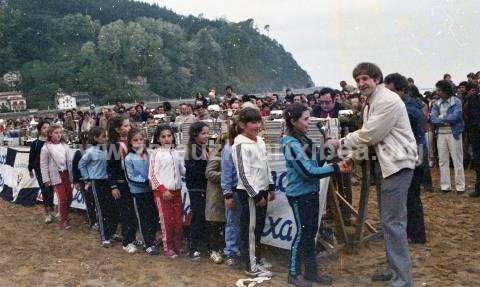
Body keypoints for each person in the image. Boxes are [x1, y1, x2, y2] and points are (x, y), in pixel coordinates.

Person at [329, 63, 417, 287]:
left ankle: (402, 279)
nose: (361, 83)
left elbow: (370, 134)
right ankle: (393, 269)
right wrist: (350, 158)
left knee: (393, 222)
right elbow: (372, 140)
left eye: (365, 78)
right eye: (358, 80)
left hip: (397, 164)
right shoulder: (372, 101)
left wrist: (340, 142)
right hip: (387, 164)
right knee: (388, 221)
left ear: (377, 79)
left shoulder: (386, 100)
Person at [282, 103, 348, 287]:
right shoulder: (291, 144)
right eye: (305, 118)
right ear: (293, 121)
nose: (308, 121)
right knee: (303, 233)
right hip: (299, 194)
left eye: (308, 117)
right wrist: (336, 167)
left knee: (310, 233)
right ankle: (293, 273)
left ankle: (311, 273)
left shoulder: (302, 139)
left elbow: (316, 159)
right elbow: (308, 171)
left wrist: (328, 148)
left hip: (310, 192)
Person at [231, 107, 275, 278]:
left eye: (258, 122)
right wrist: (255, 195)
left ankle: (255, 258)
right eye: (252, 123)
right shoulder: (240, 145)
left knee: (258, 229)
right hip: (250, 194)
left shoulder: (260, 141)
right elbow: (243, 174)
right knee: (249, 229)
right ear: (243, 125)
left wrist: (270, 186)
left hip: (262, 190)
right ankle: (250, 265)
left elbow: (266, 165)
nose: (257, 126)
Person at [385, 73, 426, 244]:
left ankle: (416, 235)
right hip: (413, 152)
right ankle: (414, 233)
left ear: (402, 91)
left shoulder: (407, 110)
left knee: (411, 196)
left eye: (392, 92)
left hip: (412, 154)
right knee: (411, 196)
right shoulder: (409, 106)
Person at [79, 127, 119, 247]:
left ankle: (112, 232)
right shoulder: (90, 151)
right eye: (103, 136)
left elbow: (115, 165)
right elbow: (81, 164)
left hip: (110, 182)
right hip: (97, 183)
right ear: (95, 138)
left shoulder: (111, 149)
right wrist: (87, 179)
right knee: (102, 210)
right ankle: (105, 237)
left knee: (113, 209)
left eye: (107, 136)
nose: (106, 138)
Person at [149, 124, 185, 258]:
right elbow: (152, 175)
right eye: (163, 136)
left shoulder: (176, 153)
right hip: (163, 193)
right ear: (158, 139)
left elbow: (182, 170)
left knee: (178, 221)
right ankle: (168, 247)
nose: (167, 139)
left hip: (176, 192)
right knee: (167, 222)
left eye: (169, 136)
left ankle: (178, 245)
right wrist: (163, 189)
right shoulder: (156, 154)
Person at [124, 128, 160, 255]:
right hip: (138, 193)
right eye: (135, 140)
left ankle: (152, 239)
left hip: (151, 191)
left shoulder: (149, 154)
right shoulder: (128, 158)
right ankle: (147, 243)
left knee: (153, 217)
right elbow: (130, 177)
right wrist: (146, 181)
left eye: (141, 139)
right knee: (143, 218)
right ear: (130, 142)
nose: (139, 142)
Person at [106, 116, 138, 251]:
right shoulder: (113, 145)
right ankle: (126, 242)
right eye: (125, 126)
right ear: (117, 129)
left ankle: (133, 238)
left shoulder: (131, 142)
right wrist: (113, 186)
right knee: (126, 214)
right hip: (121, 184)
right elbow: (110, 167)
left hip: (133, 183)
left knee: (134, 212)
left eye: (129, 125)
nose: (129, 128)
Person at [430, 80, 465, 194]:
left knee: (457, 160)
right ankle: (445, 186)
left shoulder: (456, 101)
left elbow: (456, 117)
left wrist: (441, 117)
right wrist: (445, 119)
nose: (437, 92)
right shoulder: (436, 103)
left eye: (439, 90)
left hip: (454, 134)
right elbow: (433, 119)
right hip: (441, 134)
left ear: (446, 91)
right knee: (443, 160)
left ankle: (460, 186)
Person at [40, 124, 74, 230]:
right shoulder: (46, 147)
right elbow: (43, 164)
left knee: (69, 197)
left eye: (60, 132)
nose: (59, 135)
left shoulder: (65, 145)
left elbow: (69, 160)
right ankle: (62, 220)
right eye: (56, 133)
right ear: (50, 134)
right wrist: (46, 179)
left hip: (67, 174)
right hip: (56, 175)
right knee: (62, 198)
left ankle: (65, 215)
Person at [184, 121, 210, 260]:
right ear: (195, 134)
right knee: (198, 217)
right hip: (196, 187)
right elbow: (194, 171)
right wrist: (209, 173)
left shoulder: (202, 148)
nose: (207, 136)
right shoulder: (193, 149)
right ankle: (193, 248)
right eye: (203, 133)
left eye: (207, 133)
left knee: (201, 216)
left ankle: (199, 245)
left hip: (201, 186)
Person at [221, 118, 241, 268]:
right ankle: (230, 252)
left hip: (246, 190)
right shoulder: (229, 148)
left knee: (243, 222)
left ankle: (241, 249)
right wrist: (227, 194)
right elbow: (226, 173)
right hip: (234, 190)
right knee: (232, 222)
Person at [205, 134, 227, 264]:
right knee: (215, 223)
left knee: (224, 223)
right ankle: (214, 250)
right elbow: (209, 173)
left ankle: (222, 249)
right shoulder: (217, 154)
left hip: (224, 193)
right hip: (217, 193)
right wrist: (227, 175)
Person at [28, 120, 54, 224]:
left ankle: (51, 208)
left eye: (48, 127)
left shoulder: (52, 141)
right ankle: (47, 213)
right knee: (45, 190)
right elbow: (31, 157)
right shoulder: (35, 143)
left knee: (51, 191)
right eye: (44, 127)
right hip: (39, 170)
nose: (46, 129)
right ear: (39, 130)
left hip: (51, 170)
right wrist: (30, 169)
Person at [72, 131, 97, 230]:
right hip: (83, 181)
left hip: (94, 180)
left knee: (95, 202)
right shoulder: (79, 153)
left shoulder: (96, 151)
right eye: (85, 140)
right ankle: (92, 221)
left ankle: (97, 220)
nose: (87, 142)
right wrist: (76, 181)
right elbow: (75, 168)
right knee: (89, 202)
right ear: (82, 141)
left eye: (89, 140)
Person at [465, 83, 480, 197]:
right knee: (478, 161)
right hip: (475, 133)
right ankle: (478, 188)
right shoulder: (471, 97)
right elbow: (466, 113)